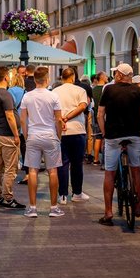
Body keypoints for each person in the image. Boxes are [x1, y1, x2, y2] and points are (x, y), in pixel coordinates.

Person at [96, 63, 140, 226]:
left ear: (119, 75)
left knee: (109, 173)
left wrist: (104, 132)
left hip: (113, 136)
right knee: (135, 169)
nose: (114, 76)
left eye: (116, 73)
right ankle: (138, 204)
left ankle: (108, 212)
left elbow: (100, 114)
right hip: (134, 135)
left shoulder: (109, 90)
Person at [20, 66, 65, 218]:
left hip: (33, 135)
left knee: (32, 171)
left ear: (34, 79)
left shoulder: (27, 96)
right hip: (50, 135)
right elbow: (58, 119)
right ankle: (53, 208)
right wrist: (59, 136)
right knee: (53, 171)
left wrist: (26, 135)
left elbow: (23, 120)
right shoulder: (53, 96)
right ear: (47, 79)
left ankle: (32, 208)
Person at [0, 66, 24, 210]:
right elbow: (10, 115)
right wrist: (16, 134)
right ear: (5, 78)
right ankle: (8, 197)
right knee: (10, 168)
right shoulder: (5, 94)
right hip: (7, 135)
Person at [54, 67, 90, 205]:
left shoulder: (55, 91)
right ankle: (77, 193)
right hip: (77, 130)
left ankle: (62, 195)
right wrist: (68, 117)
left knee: (63, 163)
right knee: (77, 163)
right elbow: (82, 106)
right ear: (73, 77)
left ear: (62, 77)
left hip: (61, 131)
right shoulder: (80, 90)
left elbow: (53, 110)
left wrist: (61, 120)